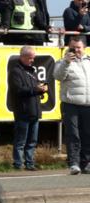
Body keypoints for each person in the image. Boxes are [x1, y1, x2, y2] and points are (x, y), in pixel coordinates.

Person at [54, 36, 90, 175]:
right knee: (73, 135)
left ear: (85, 48)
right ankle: (74, 163)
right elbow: (57, 76)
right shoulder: (62, 62)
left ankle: (86, 163)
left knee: (87, 135)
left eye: (78, 47)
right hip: (70, 104)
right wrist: (66, 62)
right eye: (73, 47)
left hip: (88, 104)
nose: (76, 50)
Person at [10, 46, 47, 171]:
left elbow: (33, 89)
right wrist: (35, 89)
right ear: (23, 57)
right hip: (23, 111)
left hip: (34, 110)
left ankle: (30, 163)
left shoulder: (32, 71)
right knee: (20, 140)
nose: (32, 60)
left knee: (32, 140)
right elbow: (18, 90)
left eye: (33, 58)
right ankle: (18, 164)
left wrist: (41, 89)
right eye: (30, 58)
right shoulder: (15, 71)